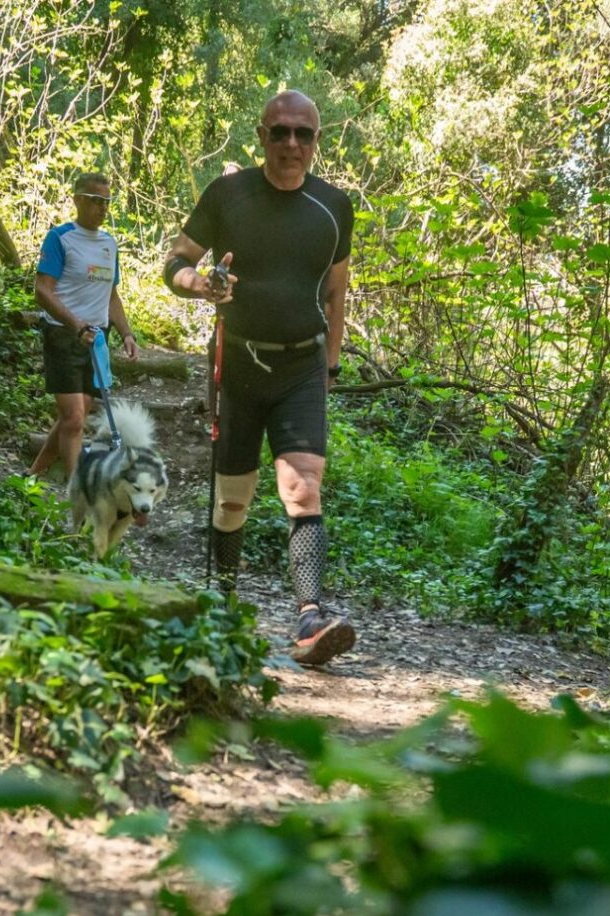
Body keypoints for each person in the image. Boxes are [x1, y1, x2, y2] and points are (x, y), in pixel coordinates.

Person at [162, 91, 356, 666]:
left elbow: (336, 289)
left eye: (304, 134)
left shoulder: (334, 207)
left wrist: (332, 366)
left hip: (302, 365)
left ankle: (309, 617)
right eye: (280, 133)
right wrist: (200, 285)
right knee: (232, 501)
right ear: (262, 135)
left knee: (303, 488)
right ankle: (223, 600)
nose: (291, 144)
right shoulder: (228, 194)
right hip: (239, 362)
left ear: (317, 141)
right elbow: (175, 264)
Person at [31, 172, 137, 479]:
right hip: (63, 335)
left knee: (73, 418)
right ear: (77, 199)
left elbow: (111, 295)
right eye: (95, 201)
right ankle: (78, 494)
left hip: (97, 340)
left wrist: (127, 333)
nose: (102, 209)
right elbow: (42, 290)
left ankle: (33, 473)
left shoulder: (109, 244)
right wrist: (75, 324)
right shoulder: (60, 238)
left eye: (107, 202)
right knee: (75, 418)